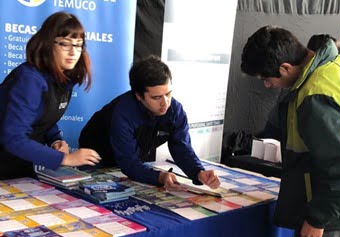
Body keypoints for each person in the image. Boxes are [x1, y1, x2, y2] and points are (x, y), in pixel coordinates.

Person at [240, 26, 340, 237]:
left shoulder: (314, 96)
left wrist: (318, 218)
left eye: (265, 78)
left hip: (333, 212)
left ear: (284, 68)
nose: (266, 85)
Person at [79, 55, 220, 191]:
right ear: (139, 96)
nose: (165, 103)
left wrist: (198, 172)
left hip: (129, 162)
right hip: (96, 161)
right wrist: (160, 177)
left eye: (168, 94)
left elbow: (181, 147)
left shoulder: (175, 110)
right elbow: (129, 163)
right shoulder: (122, 114)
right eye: (156, 97)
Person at [0, 12, 101, 180]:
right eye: (65, 44)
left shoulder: (63, 78)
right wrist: (65, 158)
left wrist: (54, 140)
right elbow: (13, 138)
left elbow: (42, 116)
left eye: (78, 45)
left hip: (20, 168)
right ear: (47, 44)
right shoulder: (29, 79)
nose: (73, 52)